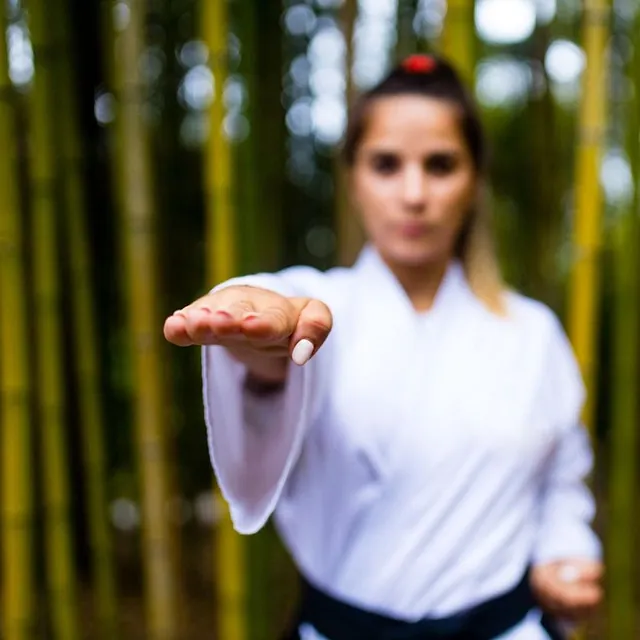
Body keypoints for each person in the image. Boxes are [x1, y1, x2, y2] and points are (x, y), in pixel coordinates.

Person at [164, 54, 603, 640]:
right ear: (353, 179)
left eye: (441, 165)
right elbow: (276, 330)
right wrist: (258, 333)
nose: (414, 193)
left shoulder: (533, 332)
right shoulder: (320, 306)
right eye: (387, 165)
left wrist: (564, 550)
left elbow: (560, 480)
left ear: (475, 181)